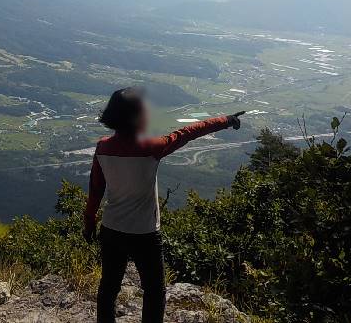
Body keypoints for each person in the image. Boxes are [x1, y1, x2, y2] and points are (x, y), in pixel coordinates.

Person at [84, 87, 245, 323]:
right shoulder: (152, 147)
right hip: (145, 233)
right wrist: (227, 120)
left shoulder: (103, 147)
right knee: (154, 291)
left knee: (108, 289)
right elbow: (189, 132)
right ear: (137, 117)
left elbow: (95, 191)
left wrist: (89, 224)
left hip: (112, 230)